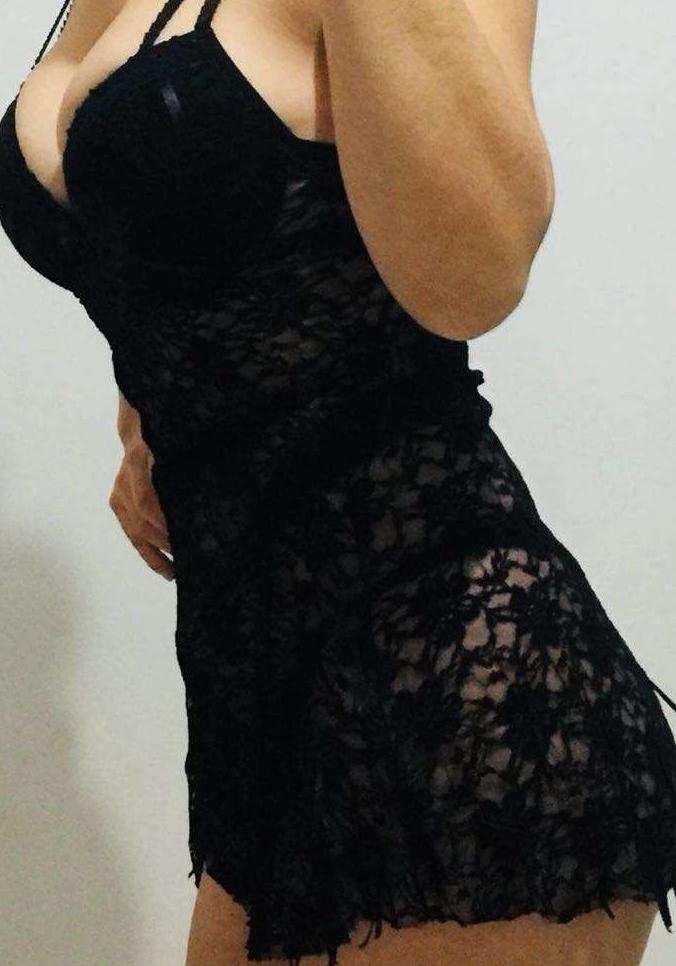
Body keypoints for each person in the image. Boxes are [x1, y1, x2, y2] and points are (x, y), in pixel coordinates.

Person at [1, 3, 675, 965]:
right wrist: (151, 405)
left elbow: (477, 274)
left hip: (450, 691)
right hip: (261, 708)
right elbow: (186, 235)